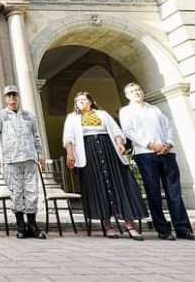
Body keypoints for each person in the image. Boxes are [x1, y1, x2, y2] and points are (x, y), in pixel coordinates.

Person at [119, 82, 195, 241]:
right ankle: (163, 230)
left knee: (175, 193)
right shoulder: (126, 111)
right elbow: (128, 131)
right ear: (127, 95)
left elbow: (168, 127)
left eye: (138, 89)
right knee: (153, 193)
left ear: (143, 91)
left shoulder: (154, 109)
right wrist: (150, 144)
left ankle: (183, 228)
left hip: (166, 153)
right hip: (145, 154)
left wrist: (169, 144)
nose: (136, 93)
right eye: (132, 91)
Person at [63, 91, 147, 240]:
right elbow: (68, 137)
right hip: (88, 152)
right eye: (77, 101)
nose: (80, 102)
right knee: (98, 187)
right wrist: (70, 154)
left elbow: (116, 131)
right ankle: (108, 225)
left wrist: (120, 143)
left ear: (90, 101)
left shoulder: (102, 114)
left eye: (83, 100)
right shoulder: (72, 118)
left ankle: (130, 225)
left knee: (120, 185)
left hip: (108, 150)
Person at [0, 85, 47, 239]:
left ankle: (32, 225)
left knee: (31, 192)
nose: (12, 99)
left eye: (14, 96)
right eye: (9, 96)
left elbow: (36, 136)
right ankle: (21, 226)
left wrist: (41, 156)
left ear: (18, 97)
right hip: (11, 160)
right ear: (5, 98)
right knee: (17, 192)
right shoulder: (0, 116)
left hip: (29, 158)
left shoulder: (29, 116)